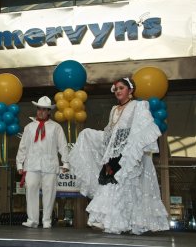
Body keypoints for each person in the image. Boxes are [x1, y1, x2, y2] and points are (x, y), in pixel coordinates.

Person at [67, 77, 169, 235]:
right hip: (113, 156)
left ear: (130, 90)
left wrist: (131, 151)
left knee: (122, 189)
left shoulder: (139, 106)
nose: (118, 91)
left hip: (128, 156)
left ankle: (115, 222)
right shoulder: (114, 110)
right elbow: (110, 134)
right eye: (116, 89)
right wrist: (90, 135)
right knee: (112, 187)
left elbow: (143, 130)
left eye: (121, 88)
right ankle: (111, 221)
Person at [16, 96, 69, 229]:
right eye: (39, 109)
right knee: (31, 190)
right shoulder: (29, 127)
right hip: (32, 164)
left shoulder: (56, 127)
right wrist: (19, 164)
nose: (41, 112)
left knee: (49, 192)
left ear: (49, 111)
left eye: (44, 109)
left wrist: (66, 162)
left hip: (50, 164)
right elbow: (22, 146)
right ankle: (32, 219)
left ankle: (46, 220)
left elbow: (63, 145)